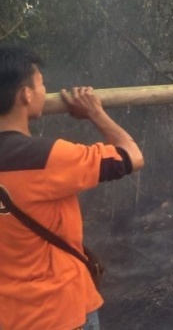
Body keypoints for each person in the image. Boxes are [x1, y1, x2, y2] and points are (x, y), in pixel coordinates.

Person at [0, 47, 145, 330]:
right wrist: (95, 113)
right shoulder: (48, 157)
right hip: (60, 312)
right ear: (25, 95)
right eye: (41, 84)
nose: (45, 91)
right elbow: (132, 155)